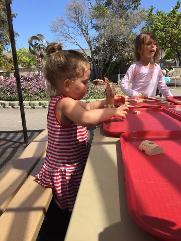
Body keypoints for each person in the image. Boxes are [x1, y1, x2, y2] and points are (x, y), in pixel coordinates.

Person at [35, 42, 129, 214]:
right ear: (67, 84)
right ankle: (67, 223)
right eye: (85, 82)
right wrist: (113, 111)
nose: (88, 86)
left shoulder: (68, 101)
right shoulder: (65, 103)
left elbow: (89, 107)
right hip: (66, 169)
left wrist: (106, 102)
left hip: (69, 161)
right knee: (75, 209)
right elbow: (86, 118)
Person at [119, 33, 172, 97]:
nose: (153, 46)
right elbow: (123, 84)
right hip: (136, 104)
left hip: (150, 104)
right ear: (139, 49)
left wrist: (172, 99)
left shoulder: (157, 68)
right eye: (148, 44)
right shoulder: (135, 67)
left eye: (155, 44)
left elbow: (163, 86)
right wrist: (136, 95)